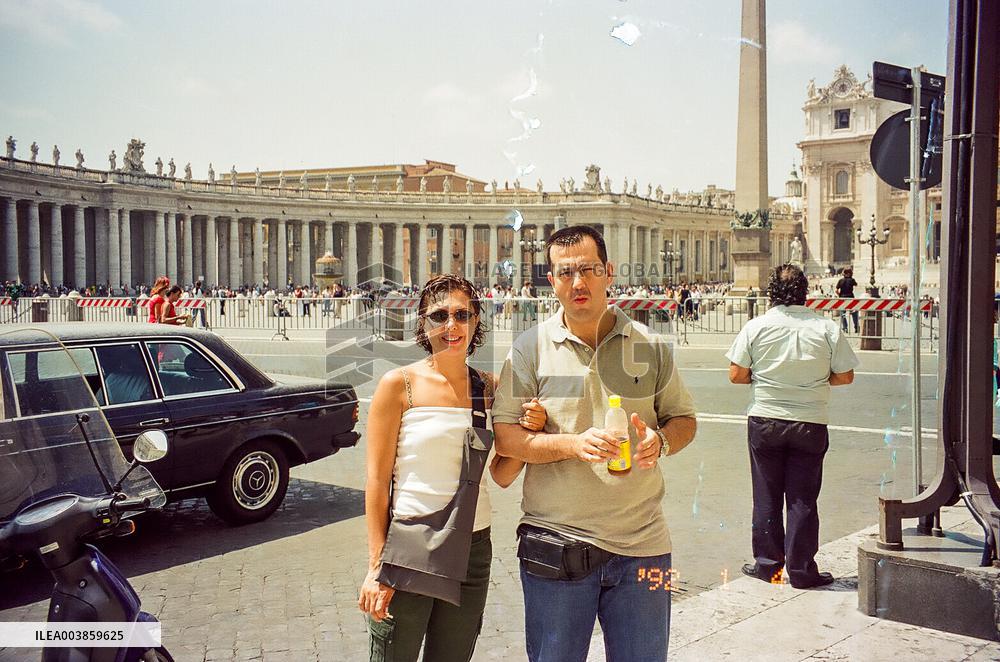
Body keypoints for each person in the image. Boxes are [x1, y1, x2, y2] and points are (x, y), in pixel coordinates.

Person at [492, 225, 698, 662]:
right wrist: (572, 445)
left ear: (609, 272)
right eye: (566, 273)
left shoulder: (650, 345)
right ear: (552, 281)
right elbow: (507, 438)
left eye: (588, 270)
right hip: (556, 543)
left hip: (646, 547)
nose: (578, 282)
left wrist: (661, 441)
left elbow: (684, 419)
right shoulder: (528, 349)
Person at [359, 274, 546, 662]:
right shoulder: (398, 385)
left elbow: (502, 473)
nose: (451, 325)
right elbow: (376, 481)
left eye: (462, 315)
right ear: (423, 323)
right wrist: (377, 566)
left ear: (476, 321)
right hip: (410, 545)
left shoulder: (490, 388)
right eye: (439, 315)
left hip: (474, 547)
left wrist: (531, 431)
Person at [726, 264, 859, 588]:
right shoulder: (826, 328)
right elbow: (845, 376)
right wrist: (814, 381)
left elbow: (736, 375)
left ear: (771, 292)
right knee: (803, 499)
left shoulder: (756, 327)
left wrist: (766, 379)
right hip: (810, 422)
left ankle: (768, 567)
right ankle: (801, 571)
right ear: (805, 292)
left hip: (766, 419)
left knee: (766, 496)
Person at [836, 268, 860, 333]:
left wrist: (840, 295)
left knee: (843, 314)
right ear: (849, 273)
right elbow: (856, 285)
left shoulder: (840, 280)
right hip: (850, 298)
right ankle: (856, 327)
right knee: (854, 313)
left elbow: (836, 290)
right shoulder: (852, 280)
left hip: (842, 298)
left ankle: (845, 327)